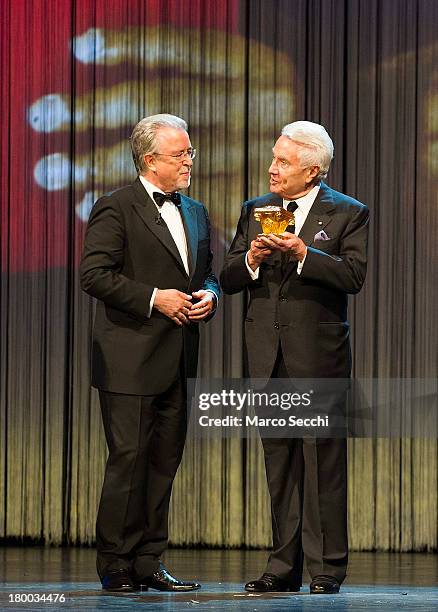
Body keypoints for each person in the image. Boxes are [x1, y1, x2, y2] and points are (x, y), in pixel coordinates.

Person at [220, 121, 369, 595]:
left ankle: (327, 570)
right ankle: (281, 567)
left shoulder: (348, 213)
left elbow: (353, 277)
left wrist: (305, 252)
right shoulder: (255, 210)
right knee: (279, 464)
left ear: (313, 171)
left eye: (283, 162)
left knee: (323, 463)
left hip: (318, 359)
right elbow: (227, 275)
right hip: (268, 357)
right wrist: (252, 260)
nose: (272, 169)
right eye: (273, 158)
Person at [80, 113, 220, 592]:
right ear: (148, 160)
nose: (188, 161)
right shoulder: (116, 207)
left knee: (164, 464)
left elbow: (208, 273)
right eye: (179, 154)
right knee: (130, 461)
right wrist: (154, 298)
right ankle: (115, 564)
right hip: (130, 360)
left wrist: (211, 296)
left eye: (189, 152)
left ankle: (149, 561)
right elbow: (94, 275)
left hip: (179, 359)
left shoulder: (197, 211)